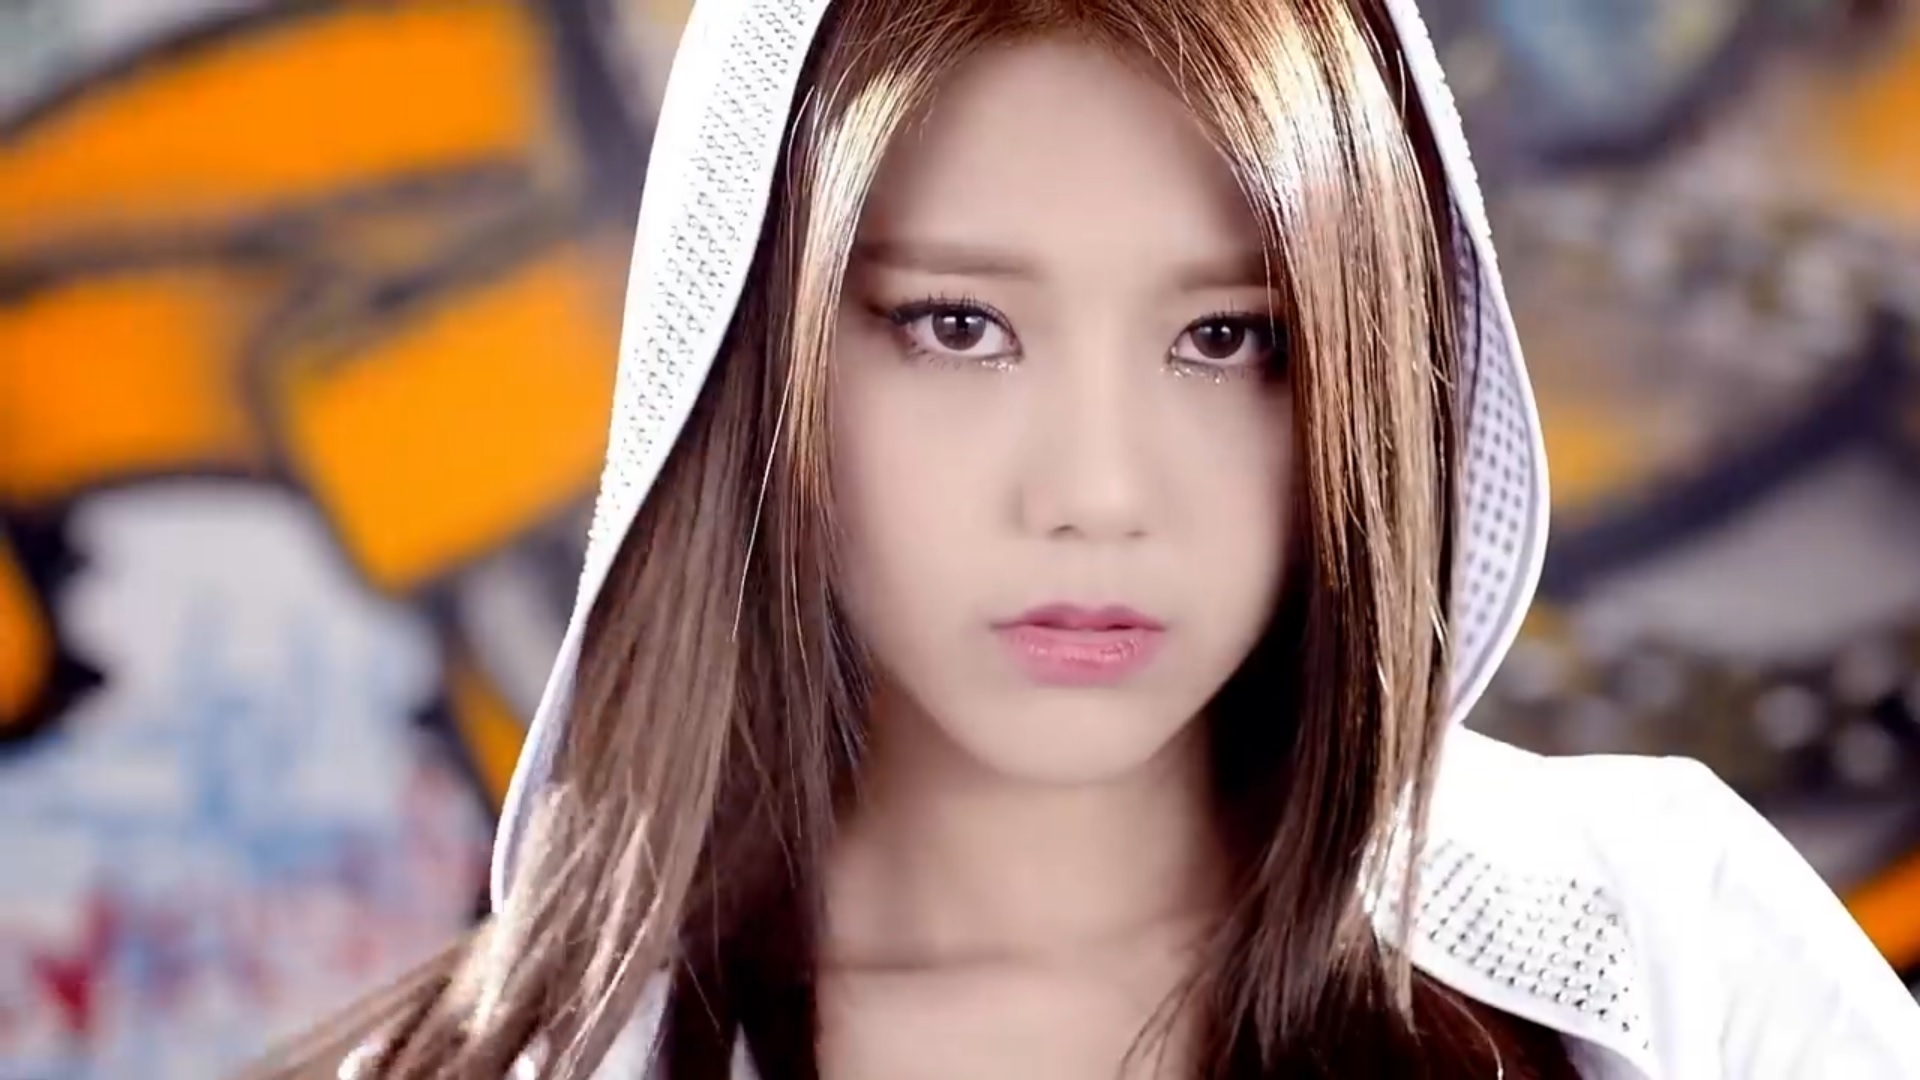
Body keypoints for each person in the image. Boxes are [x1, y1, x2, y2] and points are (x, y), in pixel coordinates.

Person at [256, 0, 1920, 1076]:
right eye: (959, 327)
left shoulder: (1663, 955)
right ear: (758, 368)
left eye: (1228, 339)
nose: (1098, 492)